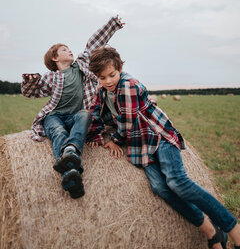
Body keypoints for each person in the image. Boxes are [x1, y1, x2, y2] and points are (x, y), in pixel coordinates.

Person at [86, 46, 240, 249]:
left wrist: (114, 139)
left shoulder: (128, 85)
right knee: (159, 187)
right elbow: (95, 111)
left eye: (111, 75)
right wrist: (96, 136)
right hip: (139, 145)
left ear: (121, 67)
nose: (107, 81)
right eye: (102, 77)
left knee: (177, 181)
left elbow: (127, 121)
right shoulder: (103, 89)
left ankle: (233, 228)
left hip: (158, 136)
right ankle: (211, 233)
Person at [21, 16, 124, 199]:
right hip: (55, 115)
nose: (70, 51)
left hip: (76, 115)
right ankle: (70, 169)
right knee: (58, 132)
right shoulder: (51, 77)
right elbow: (31, 92)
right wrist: (31, 81)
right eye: (64, 50)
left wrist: (113, 25)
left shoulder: (80, 67)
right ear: (55, 58)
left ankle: (70, 154)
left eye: (69, 49)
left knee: (85, 115)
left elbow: (94, 42)